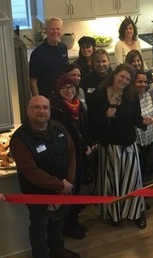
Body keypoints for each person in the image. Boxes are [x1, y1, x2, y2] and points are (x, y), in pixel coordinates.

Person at [10, 96, 80, 258]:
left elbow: (72, 152)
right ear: (28, 110)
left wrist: (69, 182)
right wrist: (60, 186)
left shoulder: (59, 128)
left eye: (45, 107)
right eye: (36, 107)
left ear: (50, 110)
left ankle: (57, 250)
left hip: (64, 189)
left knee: (58, 222)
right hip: (37, 194)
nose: (41, 111)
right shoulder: (20, 139)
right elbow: (31, 172)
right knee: (39, 229)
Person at [88, 64, 153, 228]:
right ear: (114, 74)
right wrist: (105, 116)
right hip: (109, 146)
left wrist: (144, 122)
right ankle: (115, 213)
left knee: (132, 181)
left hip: (128, 144)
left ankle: (136, 213)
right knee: (112, 182)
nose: (124, 81)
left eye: (128, 79)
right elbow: (92, 123)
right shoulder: (98, 94)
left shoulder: (131, 95)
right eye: (122, 77)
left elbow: (135, 119)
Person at [49, 75, 93, 240]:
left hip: (81, 152)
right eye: (64, 88)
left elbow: (84, 128)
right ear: (58, 90)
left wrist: (87, 145)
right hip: (67, 156)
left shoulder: (78, 105)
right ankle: (68, 226)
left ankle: (73, 222)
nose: (69, 90)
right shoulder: (55, 109)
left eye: (72, 87)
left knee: (77, 188)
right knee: (69, 190)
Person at [29, 16, 68, 97]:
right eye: (52, 29)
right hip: (46, 96)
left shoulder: (63, 48)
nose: (55, 32)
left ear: (62, 30)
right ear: (46, 31)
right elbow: (33, 82)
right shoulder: (37, 53)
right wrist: (38, 101)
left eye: (58, 29)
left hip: (62, 94)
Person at [134, 70, 153, 182]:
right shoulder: (130, 98)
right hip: (136, 141)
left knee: (144, 167)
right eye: (139, 81)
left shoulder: (148, 95)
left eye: (145, 82)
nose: (143, 84)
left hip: (149, 138)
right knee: (137, 169)